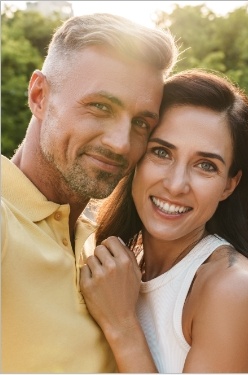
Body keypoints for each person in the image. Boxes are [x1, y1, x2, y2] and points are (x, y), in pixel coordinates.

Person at [1, 13, 178, 373]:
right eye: (100, 107)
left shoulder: (102, 245)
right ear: (39, 96)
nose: (121, 143)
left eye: (141, 123)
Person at [80, 69, 248, 373]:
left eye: (205, 166)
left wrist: (122, 326)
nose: (175, 184)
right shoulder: (123, 266)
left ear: (229, 184)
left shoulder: (233, 288)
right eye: (161, 152)